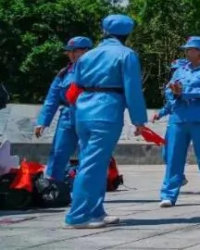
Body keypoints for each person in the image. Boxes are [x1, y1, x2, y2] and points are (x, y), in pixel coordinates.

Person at [64, 15, 147, 228]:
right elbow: (132, 88)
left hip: (83, 111)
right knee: (93, 165)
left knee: (94, 163)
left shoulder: (87, 55)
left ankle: (95, 211)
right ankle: (78, 215)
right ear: (127, 34)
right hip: (107, 110)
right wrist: (139, 119)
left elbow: (75, 87)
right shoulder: (126, 54)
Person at [158, 36, 200, 208]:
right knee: (174, 156)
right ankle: (168, 195)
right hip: (179, 118)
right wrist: (174, 96)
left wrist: (184, 92)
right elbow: (169, 89)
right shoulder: (180, 70)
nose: (187, 52)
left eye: (190, 49)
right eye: (186, 50)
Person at [35, 36, 92, 181]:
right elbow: (52, 98)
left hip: (89, 115)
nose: (71, 54)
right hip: (67, 115)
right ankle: (52, 186)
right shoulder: (64, 73)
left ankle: (84, 187)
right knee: (58, 152)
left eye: (75, 51)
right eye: (69, 51)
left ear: (87, 51)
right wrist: (43, 121)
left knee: (87, 153)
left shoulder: (97, 71)